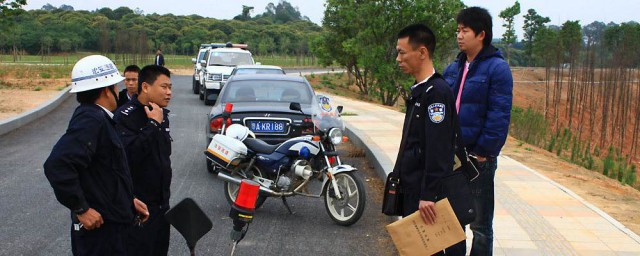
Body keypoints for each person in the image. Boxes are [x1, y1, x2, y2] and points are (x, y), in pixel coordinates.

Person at [43, 55, 149, 255]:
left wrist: (127, 200)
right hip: (101, 234)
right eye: (115, 86)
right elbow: (57, 164)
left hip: (112, 226)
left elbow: (104, 173)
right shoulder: (92, 120)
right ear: (105, 91)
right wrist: (81, 208)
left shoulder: (98, 117)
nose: (118, 91)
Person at [442, 7, 513, 256]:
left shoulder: (497, 69)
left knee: (480, 224)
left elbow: (499, 116)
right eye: (458, 30)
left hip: (477, 159)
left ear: (481, 34)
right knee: (452, 221)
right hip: (452, 156)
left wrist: (483, 152)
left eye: (465, 31)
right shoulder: (453, 68)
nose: (459, 35)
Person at [394, 24, 457, 255]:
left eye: (402, 52)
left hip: (424, 192)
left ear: (422, 52)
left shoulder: (436, 93)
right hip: (413, 185)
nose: (398, 58)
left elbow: (438, 148)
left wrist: (428, 194)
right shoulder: (421, 89)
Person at [114, 65, 173, 256]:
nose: (169, 92)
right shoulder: (126, 117)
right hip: (138, 208)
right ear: (146, 87)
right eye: (164, 87)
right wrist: (153, 124)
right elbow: (129, 156)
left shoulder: (161, 113)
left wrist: (157, 121)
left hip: (161, 206)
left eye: (170, 87)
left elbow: (164, 155)